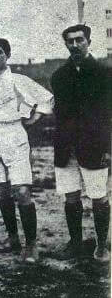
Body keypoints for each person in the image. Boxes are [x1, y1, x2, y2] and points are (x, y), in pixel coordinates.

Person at [0, 38, 53, 263]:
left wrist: (32, 119)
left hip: (14, 134)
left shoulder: (19, 79)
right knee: (2, 192)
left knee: (22, 192)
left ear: (7, 55)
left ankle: (32, 245)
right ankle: (12, 237)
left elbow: (47, 100)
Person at [51, 24, 110, 262]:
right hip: (66, 147)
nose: (75, 45)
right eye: (70, 41)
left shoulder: (104, 74)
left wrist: (109, 148)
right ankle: (75, 243)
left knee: (99, 197)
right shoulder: (59, 76)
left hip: (95, 145)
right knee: (71, 197)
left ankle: (101, 246)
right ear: (66, 44)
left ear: (88, 41)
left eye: (79, 40)